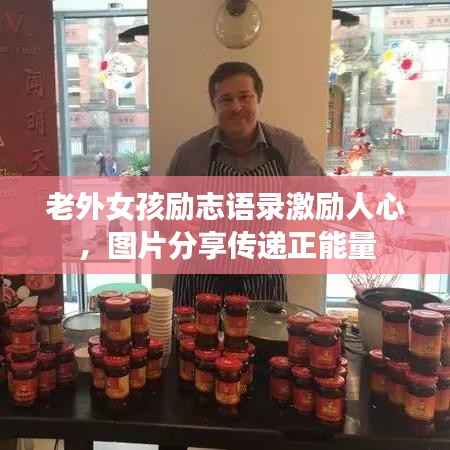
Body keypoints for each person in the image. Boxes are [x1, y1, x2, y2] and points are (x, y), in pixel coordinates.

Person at [167, 62, 324, 307]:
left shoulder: (288, 148)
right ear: (214, 104)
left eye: (244, 97)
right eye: (226, 99)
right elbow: (162, 213)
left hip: (263, 282)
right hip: (199, 282)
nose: (236, 107)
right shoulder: (190, 154)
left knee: (265, 335)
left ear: (258, 99)